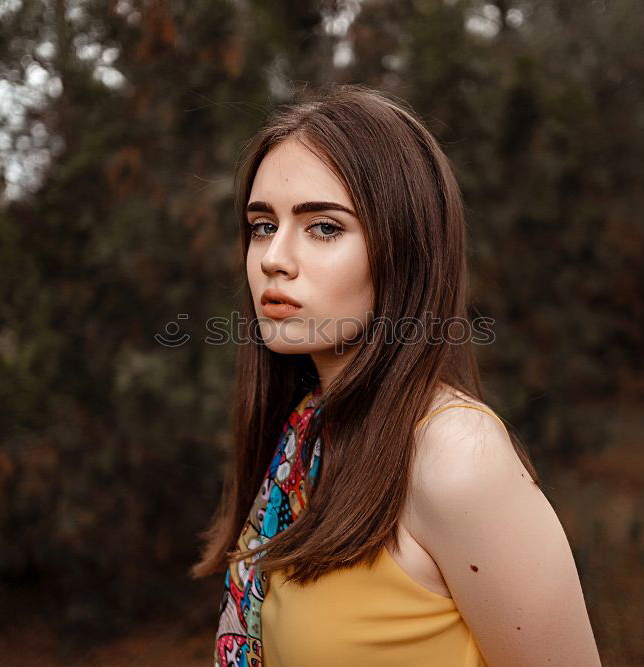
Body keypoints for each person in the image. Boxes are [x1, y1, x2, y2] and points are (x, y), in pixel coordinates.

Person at [190, 83, 602, 667]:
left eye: (324, 227)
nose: (272, 258)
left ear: (404, 251)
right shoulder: (307, 434)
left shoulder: (456, 456)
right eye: (262, 225)